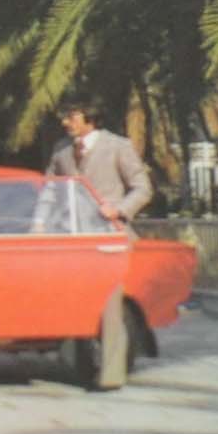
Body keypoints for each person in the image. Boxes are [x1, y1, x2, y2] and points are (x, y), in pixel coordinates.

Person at [47, 100, 152, 389]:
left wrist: (119, 210)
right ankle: (79, 367)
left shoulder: (118, 146)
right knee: (73, 303)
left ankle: (111, 375)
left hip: (108, 239)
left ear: (90, 118)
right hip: (71, 241)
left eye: (71, 116)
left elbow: (143, 188)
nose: (65, 123)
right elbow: (49, 190)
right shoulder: (61, 150)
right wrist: (40, 223)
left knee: (109, 307)